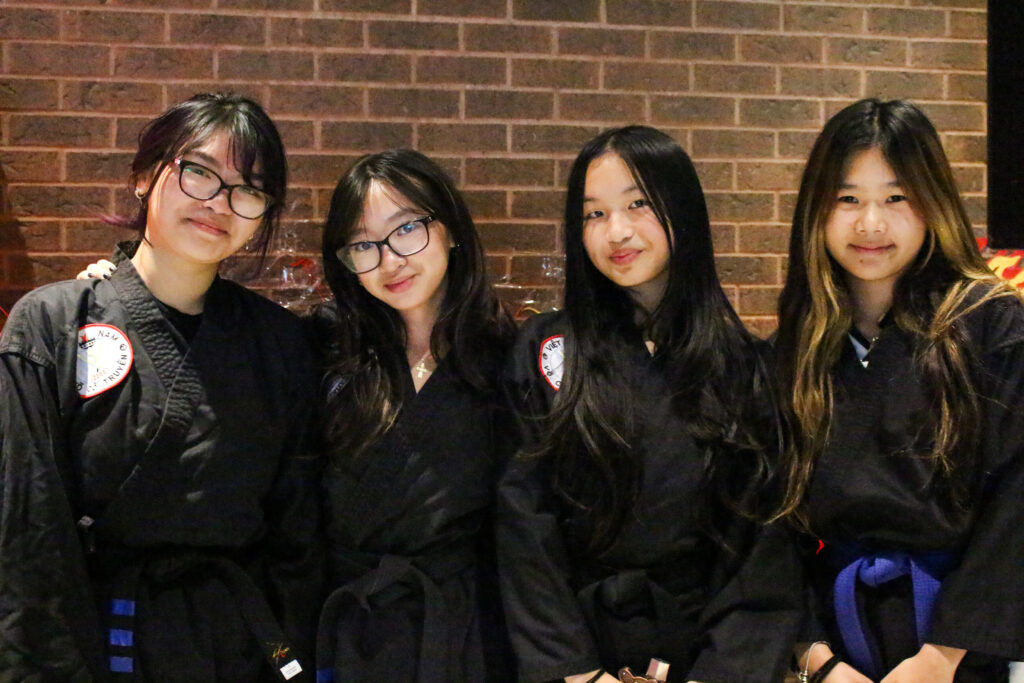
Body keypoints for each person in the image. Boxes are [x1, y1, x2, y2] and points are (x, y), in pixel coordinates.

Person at [0, 93, 322, 681]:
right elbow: (28, 533)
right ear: (145, 176)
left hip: (239, 647)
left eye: (248, 189)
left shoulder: (278, 343)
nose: (219, 202)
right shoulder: (53, 323)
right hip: (98, 642)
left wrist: (291, 652)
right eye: (199, 171)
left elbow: (298, 535)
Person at [497, 125, 803, 683]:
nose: (616, 231)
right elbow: (525, 524)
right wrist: (576, 671)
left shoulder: (746, 365)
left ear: (681, 209)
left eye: (637, 204)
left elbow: (758, 549)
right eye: (594, 214)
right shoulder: (546, 349)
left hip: (702, 649)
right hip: (576, 650)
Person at [774, 98, 1024, 682]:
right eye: (847, 199)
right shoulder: (797, 345)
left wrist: (941, 657)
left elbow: (1016, 503)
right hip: (832, 646)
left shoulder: (991, 323)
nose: (870, 224)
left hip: (958, 646)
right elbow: (769, 526)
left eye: (896, 198)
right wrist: (815, 657)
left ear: (933, 203)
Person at [312, 149, 517, 682]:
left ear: (451, 230)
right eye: (364, 244)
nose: (390, 260)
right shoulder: (324, 348)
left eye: (406, 229)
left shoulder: (508, 359)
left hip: (467, 633)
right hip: (349, 631)